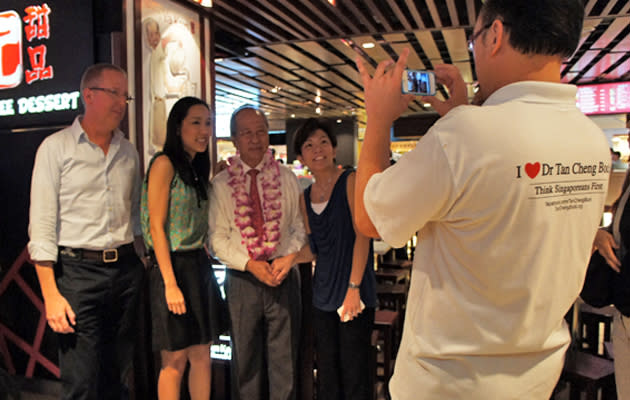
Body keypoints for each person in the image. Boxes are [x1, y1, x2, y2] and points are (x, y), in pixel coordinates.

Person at [354, 0, 610, 398]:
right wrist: (464, 114)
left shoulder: (463, 136)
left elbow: (370, 221)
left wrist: (378, 120)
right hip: (537, 380)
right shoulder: (592, 141)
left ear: (495, 35)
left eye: (474, 38)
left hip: (446, 384)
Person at [28, 63, 145, 399]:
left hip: (125, 272)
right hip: (77, 274)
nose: (121, 103)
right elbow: (42, 227)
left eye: (126, 96)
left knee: (118, 376)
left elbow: (135, 215)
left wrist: (143, 260)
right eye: (115, 93)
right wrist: (51, 295)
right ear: (88, 95)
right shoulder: (56, 148)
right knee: (81, 381)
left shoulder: (128, 151)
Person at [207, 106, 307, 400]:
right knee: (245, 362)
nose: (255, 139)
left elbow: (299, 228)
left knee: (284, 362)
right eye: (247, 133)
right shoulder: (221, 185)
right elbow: (217, 239)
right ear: (235, 140)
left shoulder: (288, 178)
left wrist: (285, 260)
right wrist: (250, 265)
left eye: (261, 131)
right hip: (242, 280)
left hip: (283, 276)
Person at [141, 97, 224, 400]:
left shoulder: (196, 169)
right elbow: (155, 227)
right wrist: (170, 284)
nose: (204, 130)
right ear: (178, 127)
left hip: (198, 267)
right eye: (196, 122)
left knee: (202, 354)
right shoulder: (164, 164)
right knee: (174, 359)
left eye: (208, 123)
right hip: (171, 267)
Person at [293, 118, 376, 400]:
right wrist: (287, 259)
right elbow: (314, 248)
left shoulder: (350, 181)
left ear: (334, 148)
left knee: (355, 374)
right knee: (328, 374)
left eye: (323, 142)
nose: (318, 149)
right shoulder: (305, 198)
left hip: (355, 292)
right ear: (301, 156)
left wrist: (353, 289)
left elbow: (362, 236)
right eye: (309, 145)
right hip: (323, 296)